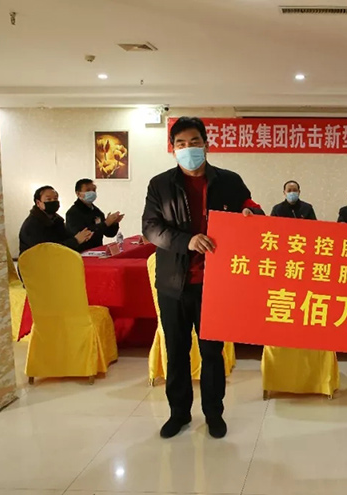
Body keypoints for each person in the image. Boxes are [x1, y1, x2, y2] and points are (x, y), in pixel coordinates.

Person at [142, 116, 264, 440]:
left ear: (207, 145)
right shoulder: (160, 185)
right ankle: (179, 414)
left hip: (216, 286)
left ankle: (214, 414)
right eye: (181, 144)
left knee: (212, 354)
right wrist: (188, 241)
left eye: (194, 142)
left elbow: (251, 207)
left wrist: (252, 214)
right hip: (173, 285)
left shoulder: (229, 181)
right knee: (177, 351)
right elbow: (151, 228)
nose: (188, 149)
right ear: (173, 149)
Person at [19, 185, 92, 255]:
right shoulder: (32, 225)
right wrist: (76, 241)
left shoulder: (57, 220)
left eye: (55, 199)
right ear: (38, 203)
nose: (53, 201)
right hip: (36, 262)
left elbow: (64, 240)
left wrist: (81, 238)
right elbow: (47, 251)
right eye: (48, 199)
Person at [65, 178, 124, 252]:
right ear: (78, 193)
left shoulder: (96, 211)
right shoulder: (72, 213)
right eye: (88, 190)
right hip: (81, 252)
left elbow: (109, 233)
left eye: (94, 190)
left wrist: (113, 223)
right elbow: (83, 234)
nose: (92, 193)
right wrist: (105, 223)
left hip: (97, 250)